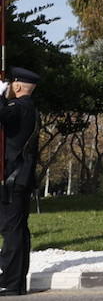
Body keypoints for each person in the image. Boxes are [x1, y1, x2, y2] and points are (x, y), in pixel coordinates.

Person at [0, 68, 39, 297]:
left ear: (16, 86)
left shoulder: (20, 107)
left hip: (14, 178)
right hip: (22, 177)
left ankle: (10, 282)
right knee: (19, 230)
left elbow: (2, 115)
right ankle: (17, 281)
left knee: (11, 230)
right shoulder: (29, 107)